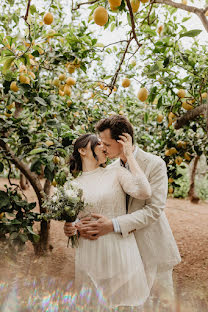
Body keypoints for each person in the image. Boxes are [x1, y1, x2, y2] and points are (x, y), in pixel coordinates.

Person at [64, 115, 181, 311]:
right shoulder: (110, 169)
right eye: (101, 143)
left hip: (151, 247)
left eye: (107, 144)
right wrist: (75, 225)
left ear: (123, 141)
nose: (103, 148)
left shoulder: (155, 164)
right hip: (123, 254)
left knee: (162, 305)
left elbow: (154, 210)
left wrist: (112, 224)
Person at [66, 132, 152, 311]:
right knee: (93, 305)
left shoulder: (116, 173)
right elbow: (74, 220)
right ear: (82, 150)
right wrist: (70, 227)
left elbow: (144, 192)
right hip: (90, 253)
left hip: (118, 249)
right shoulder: (72, 185)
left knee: (123, 304)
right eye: (98, 143)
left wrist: (129, 157)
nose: (104, 147)